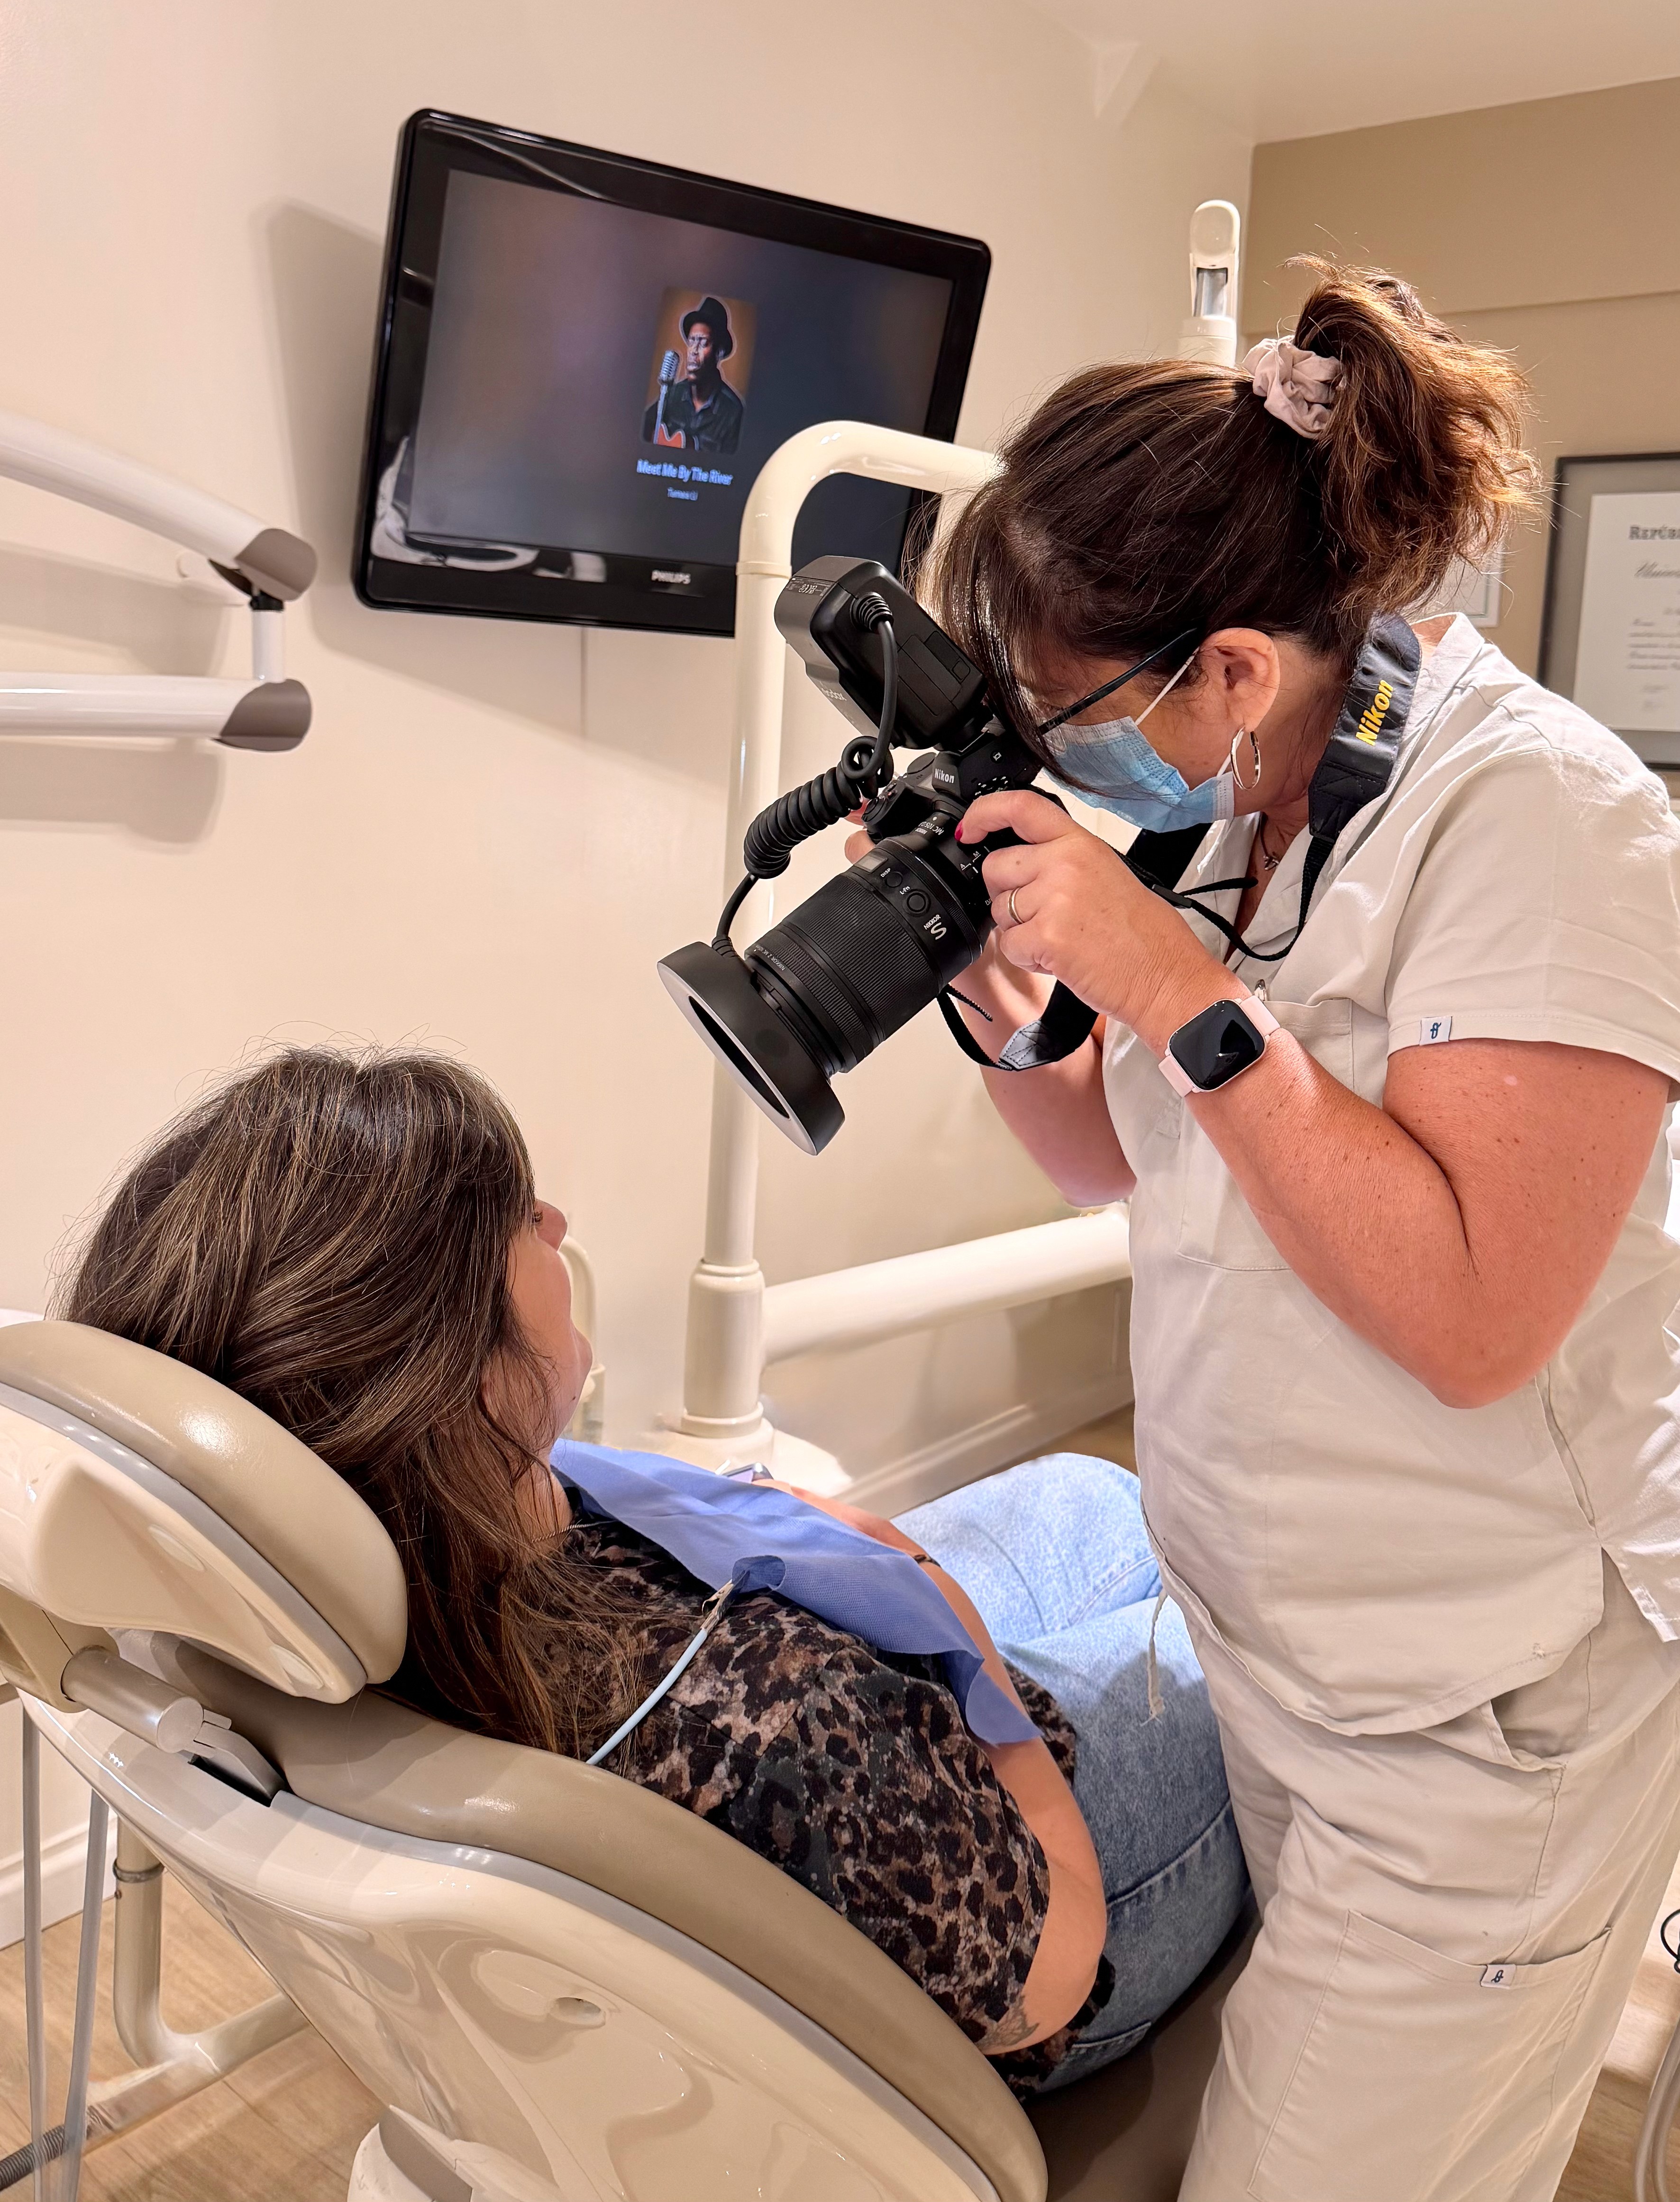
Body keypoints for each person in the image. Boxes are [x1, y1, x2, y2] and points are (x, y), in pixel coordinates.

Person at [863, 260, 1680, 2195]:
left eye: (1064, 712)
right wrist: (1007, 1001)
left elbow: (1480, 1314)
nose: (1057, 761)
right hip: (1274, 1645)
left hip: (1481, 1714)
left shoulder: (1540, 821)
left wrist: (1164, 986)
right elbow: (1124, 1171)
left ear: (1226, 664)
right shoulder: (1249, 794)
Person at [61, 1045, 1245, 2097]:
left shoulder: (409, 1562)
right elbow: (1048, 1978)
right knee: (1245, 1652)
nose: (560, 1220)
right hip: (1058, 1891)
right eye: (519, 1220)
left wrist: (837, 1556)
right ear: (454, 1378)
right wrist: (970, 1664)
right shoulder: (770, 1717)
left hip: (881, 1755)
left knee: (1099, 1499)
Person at [641, 295, 745, 454]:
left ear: (719, 352)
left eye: (703, 343)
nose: (693, 351)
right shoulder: (672, 395)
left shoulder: (733, 412)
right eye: (691, 342)